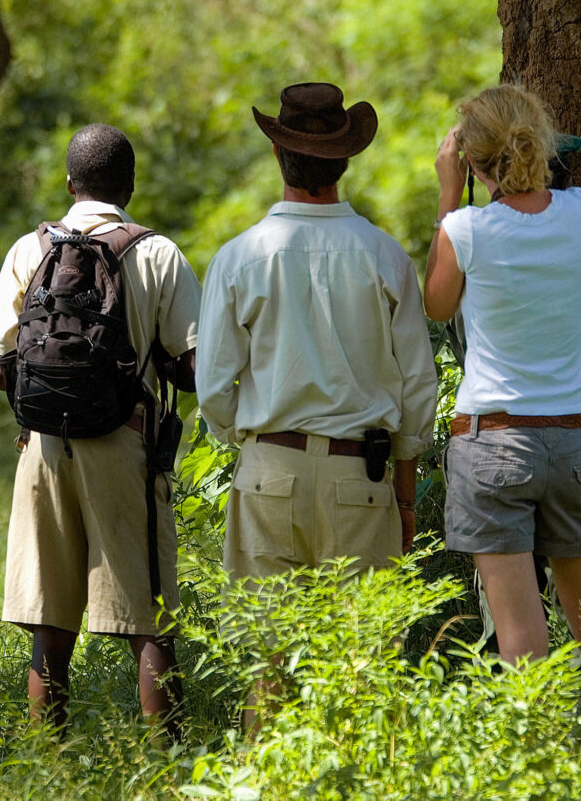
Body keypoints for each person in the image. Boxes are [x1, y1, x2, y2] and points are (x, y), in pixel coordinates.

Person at [196, 82, 437, 715]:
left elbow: (215, 387)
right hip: (362, 475)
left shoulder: (239, 256)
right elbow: (417, 385)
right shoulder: (385, 256)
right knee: (363, 667)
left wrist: (249, 443)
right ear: (346, 161)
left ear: (280, 158)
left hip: (267, 471)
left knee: (268, 664)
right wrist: (405, 495)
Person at [0, 122, 201, 738]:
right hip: (124, 444)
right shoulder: (156, 252)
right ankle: (169, 759)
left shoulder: (30, 249)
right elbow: (192, 368)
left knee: (50, 624)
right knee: (149, 615)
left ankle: (47, 759)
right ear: (128, 184)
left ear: (69, 182)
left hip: (43, 449)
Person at [424, 83, 581, 705]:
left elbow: (438, 307)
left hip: (492, 443)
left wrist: (446, 193)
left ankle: (538, 780)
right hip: (572, 439)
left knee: (522, 637)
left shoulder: (464, 229)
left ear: (471, 160)